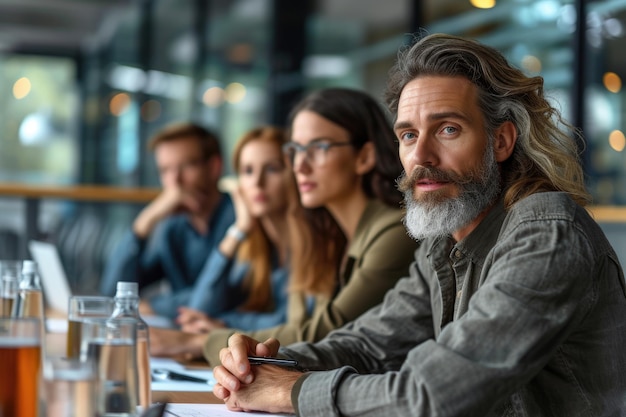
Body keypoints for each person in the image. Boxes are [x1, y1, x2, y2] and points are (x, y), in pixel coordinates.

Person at [212, 33, 626, 416]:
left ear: (502, 141)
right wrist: (261, 365)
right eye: (408, 135)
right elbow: (369, 345)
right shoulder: (444, 241)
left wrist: (288, 389)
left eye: (448, 129)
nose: (422, 155)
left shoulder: (546, 231)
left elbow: (433, 395)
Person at [149, 87, 419, 365]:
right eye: (296, 150)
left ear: (364, 157)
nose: (299, 166)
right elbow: (298, 322)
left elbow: (324, 332)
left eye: (319, 148)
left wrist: (198, 341)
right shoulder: (327, 233)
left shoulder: (394, 232)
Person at [175, 126, 306, 333]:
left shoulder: (312, 244)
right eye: (247, 171)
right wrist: (238, 230)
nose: (257, 182)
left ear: (294, 174)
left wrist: (225, 324)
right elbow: (200, 310)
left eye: (272, 169)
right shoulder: (256, 247)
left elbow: (294, 324)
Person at [100, 122, 235, 318]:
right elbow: (114, 292)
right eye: (165, 170)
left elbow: (226, 294)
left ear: (214, 167)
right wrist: (144, 221)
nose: (175, 181)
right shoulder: (174, 227)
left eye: (187, 166)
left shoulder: (241, 220)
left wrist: (153, 306)